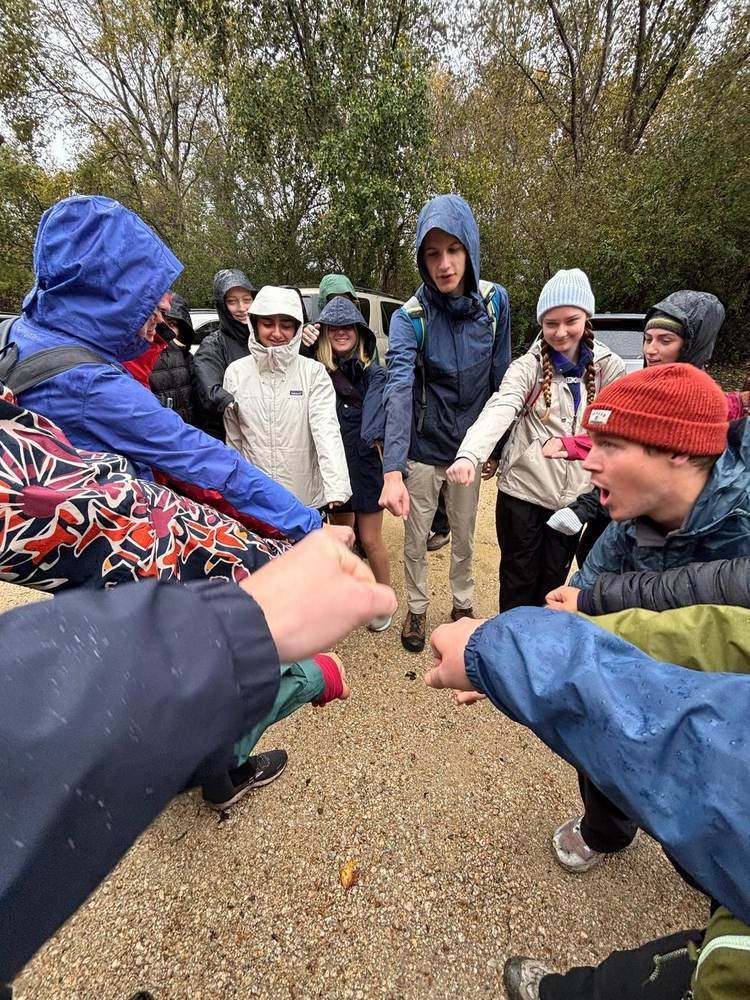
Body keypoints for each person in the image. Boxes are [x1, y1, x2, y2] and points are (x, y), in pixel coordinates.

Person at [0, 529, 396, 993]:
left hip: (138, 616)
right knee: (225, 708)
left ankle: (216, 776)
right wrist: (237, 631)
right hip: (165, 624)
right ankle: (225, 776)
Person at [424, 606, 750, 1000]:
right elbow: (720, 637)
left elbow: (712, 762)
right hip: (729, 940)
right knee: (631, 975)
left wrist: (499, 651)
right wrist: (554, 639)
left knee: (624, 986)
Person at [0, 196, 320, 542]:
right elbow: (201, 459)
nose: (167, 301)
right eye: (148, 287)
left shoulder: (19, 333)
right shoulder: (91, 383)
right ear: (108, 289)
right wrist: (308, 525)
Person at [545, 364, 750, 876]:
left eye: (611, 446)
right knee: (600, 722)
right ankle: (605, 830)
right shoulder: (630, 521)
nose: (589, 461)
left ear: (677, 450)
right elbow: (579, 603)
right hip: (648, 684)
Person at [446, 268, 625, 611]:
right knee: (517, 583)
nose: (561, 332)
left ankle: (539, 642)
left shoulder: (608, 367)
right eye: (551, 323)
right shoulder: (528, 367)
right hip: (523, 494)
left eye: (571, 321)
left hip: (572, 499)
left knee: (552, 586)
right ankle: (510, 641)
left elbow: (617, 429)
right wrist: (470, 454)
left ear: (586, 318)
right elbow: (502, 405)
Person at [380, 194, 511, 651]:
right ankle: (416, 608)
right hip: (422, 449)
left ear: (470, 249)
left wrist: (494, 446)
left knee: (464, 535)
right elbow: (398, 387)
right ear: (421, 258)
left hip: (468, 451)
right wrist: (392, 470)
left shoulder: (494, 303)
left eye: (454, 249)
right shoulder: (409, 317)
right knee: (415, 537)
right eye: (432, 253)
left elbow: (501, 377)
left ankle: (462, 603)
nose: (444, 264)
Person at [545, 289, 749, 554]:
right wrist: (571, 445)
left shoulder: (701, 408)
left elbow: (640, 457)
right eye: (648, 339)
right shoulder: (646, 389)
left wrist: (585, 507)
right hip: (617, 533)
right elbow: (621, 436)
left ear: (691, 345)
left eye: (665, 340)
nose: (651, 350)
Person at [223, 286, 351, 510]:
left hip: (303, 498)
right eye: (267, 324)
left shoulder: (313, 373)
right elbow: (234, 438)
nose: (277, 333)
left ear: (297, 328)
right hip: (256, 497)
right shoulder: (236, 373)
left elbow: (326, 430)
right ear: (255, 324)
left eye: (286, 325)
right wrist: (236, 487)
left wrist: (336, 486)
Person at [315, 296, 392, 629]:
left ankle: (384, 600)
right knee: (343, 538)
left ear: (359, 332)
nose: (341, 332)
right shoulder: (316, 372)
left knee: (371, 540)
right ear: (325, 334)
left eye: (348, 326)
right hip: (335, 467)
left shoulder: (375, 373)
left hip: (366, 464)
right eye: (334, 327)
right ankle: (347, 596)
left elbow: (376, 418)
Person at [193, 268, 257, 438]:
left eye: (247, 300)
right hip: (228, 435)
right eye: (232, 302)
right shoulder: (212, 345)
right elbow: (211, 392)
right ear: (222, 306)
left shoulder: (264, 338)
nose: (242, 308)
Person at [148, 291, 203, 426]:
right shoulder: (142, 362)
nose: (165, 331)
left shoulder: (187, 357)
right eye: (161, 324)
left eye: (172, 324)